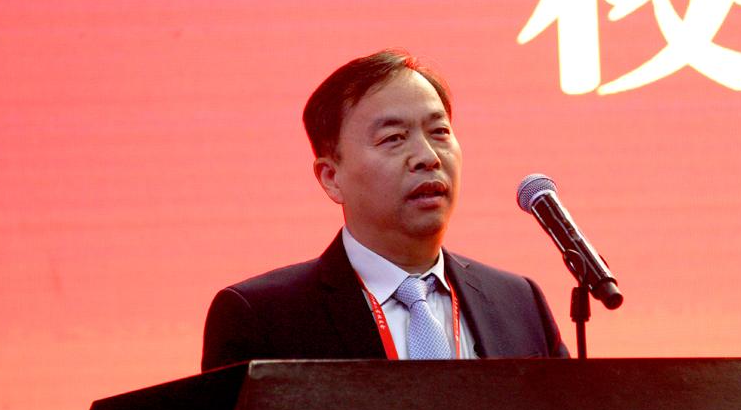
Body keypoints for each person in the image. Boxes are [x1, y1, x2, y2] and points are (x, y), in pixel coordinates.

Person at [201, 49, 567, 370]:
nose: (427, 157)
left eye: (439, 132)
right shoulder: (263, 317)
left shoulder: (519, 302)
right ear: (331, 177)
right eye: (393, 138)